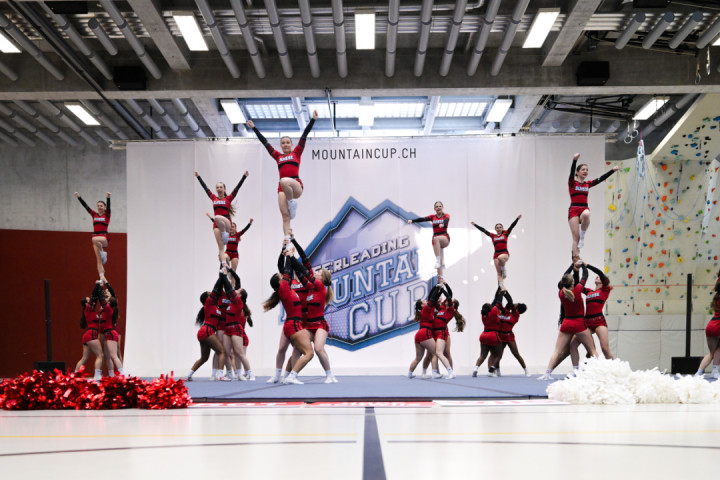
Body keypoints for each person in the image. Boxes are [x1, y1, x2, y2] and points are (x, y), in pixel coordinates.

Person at [248, 111, 318, 246]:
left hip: (296, 185)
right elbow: (265, 143)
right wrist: (254, 128)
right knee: (285, 215)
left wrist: (313, 120)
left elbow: (304, 136)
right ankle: (287, 239)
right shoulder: (278, 156)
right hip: (282, 188)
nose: (285, 144)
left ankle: (292, 203)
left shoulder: (297, 153)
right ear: (280, 145)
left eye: (288, 142)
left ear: (291, 144)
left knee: (284, 180)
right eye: (283, 143)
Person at [284, 236, 337, 383]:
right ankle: (292, 376)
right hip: (308, 325)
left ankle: (330, 375)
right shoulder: (310, 287)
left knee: (318, 349)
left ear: (322, 278)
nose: (316, 272)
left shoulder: (320, 287)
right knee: (297, 348)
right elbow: (301, 273)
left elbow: (305, 272)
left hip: (319, 325)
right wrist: (290, 257)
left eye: (319, 272)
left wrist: (292, 257)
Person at [263, 246, 315, 385]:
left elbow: (284, 268)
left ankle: (282, 376)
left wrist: (284, 250)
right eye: (281, 276)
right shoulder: (284, 287)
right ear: (280, 281)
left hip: (290, 323)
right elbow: (286, 269)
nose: (283, 275)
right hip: (294, 324)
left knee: (284, 349)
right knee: (305, 352)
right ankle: (287, 376)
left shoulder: (287, 287)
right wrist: (289, 255)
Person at [539, 262, 598, 380]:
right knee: (592, 350)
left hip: (566, 324)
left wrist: (572, 265)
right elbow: (585, 276)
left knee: (557, 351)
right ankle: (600, 371)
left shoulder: (561, 293)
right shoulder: (577, 290)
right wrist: (583, 265)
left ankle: (548, 373)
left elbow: (565, 276)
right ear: (572, 283)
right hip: (579, 324)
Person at [568, 153, 619, 259]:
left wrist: (612, 171)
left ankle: (583, 236)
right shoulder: (572, 183)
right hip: (574, 209)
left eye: (587, 170)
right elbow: (571, 173)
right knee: (575, 238)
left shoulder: (588, 184)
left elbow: (600, 179)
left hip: (584, 208)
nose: (585, 171)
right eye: (583, 169)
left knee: (587, 214)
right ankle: (576, 258)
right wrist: (574, 160)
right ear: (577, 172)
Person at [195, 170, 248, 263]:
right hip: (217, 225)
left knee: (217, 217)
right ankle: (224, 265)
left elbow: (237, 188)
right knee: (220, 248)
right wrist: (198, 177)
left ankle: (224, 233)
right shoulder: (213, 198)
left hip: (226, 223)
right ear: (216, 189)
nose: (219, 188)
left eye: (221, 187)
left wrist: (244, 176)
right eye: (217, 187)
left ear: (224, 189)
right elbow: (205, 188)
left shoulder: (228, 198)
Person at [187, 270, 231, 381]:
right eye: (209, 293)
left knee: (204, 357)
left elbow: (219, 290)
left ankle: (189, 374)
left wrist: (223, 276)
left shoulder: (214, 306)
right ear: (208, 298)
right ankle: (220, 375)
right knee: (222, 351)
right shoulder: (209, 304)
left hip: (204, 332)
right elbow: (216, 289)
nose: (212, 293)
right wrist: (222, 276)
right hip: (207, 331)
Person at [568, 263, 614, 365]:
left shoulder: (605, 290)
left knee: (605, 349)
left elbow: (600, 273)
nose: (597, 277)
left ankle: (615, 368)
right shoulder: (588, 291)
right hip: (587, 322)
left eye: (599, 277)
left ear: (603, 281)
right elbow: (578, 285)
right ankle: (576, 370)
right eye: (596, 276)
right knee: (573, 344)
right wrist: (576, 270)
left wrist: (587, 265)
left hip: (599, 322)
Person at [408, 284, 454, 378]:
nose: (426, 301)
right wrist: (438, 288)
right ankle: (435, 373)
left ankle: (410, 374)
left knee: (418, 357)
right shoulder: (426, 309)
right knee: (436, 353)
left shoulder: (430, 309)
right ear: (422, 305)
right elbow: (432, 298)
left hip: (419, 335)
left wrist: (438, 288)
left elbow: (432, 298)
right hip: (426, 333)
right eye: (423, 301)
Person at [423, 283, 465, 379]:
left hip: (442, 332)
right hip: (434, 332)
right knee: (434, 353)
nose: (445, 300)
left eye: (450, 301)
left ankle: (451, 371)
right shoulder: (441, 307)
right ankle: (436, 372)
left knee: (442, 353)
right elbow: (432, 298)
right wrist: (439, 286)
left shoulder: (450, 310)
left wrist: (443, 289)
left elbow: (449, 296)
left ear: (453, 305)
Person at [221, 268, 255, 381]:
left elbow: (229, 288)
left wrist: (224, 275)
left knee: (239, 353)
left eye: (238, 290)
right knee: (225, 353)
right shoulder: (232, 300)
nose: (235, 290)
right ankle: (231, 373)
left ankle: (250, 373)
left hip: (235, 328)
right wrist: (229, 269)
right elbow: (237, 280)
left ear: (239, 295)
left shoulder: (238, 302)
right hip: (227, 329)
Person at [471, 215, 521, 288]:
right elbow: (483, 230)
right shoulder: (493, 236)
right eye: (497, 228)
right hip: (496, 255)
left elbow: (512, 226)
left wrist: (517, 219)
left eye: (500, 227)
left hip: (505, 254)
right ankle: (501, 287)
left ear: (502, 228)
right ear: (495, 229)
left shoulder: (506, 234)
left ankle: (504, 269)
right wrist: (475, 225)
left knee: (500, 258)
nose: (499, 228)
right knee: (499, 273)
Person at [408, 201, 451, 280]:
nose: (438, 208)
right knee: (439, 259)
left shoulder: (446, 215)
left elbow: (446, 220)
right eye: (436, 207)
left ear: (442, 207)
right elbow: (422, 219)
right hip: (435, 240)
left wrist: (443, 224)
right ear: (434, 209)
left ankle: (438, 260)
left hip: (444, 238)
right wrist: (413, 221)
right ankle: (440, 279)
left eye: (440, 206)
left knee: (436, 242)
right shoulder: (432, 217)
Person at [74, 281, 108, 381]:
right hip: (91, 334)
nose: (91, 300)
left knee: (84, 357)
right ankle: (97, 375)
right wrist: (97, 284)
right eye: (89, 300)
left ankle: (74, 375)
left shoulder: (91, 310)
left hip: (88, 335)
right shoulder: (88, 309)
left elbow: (95, 297)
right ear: (86, 303)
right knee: (100, 355)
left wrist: (99, 288)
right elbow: (93, 297)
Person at [74, 191, 111, 280]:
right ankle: (101, 275)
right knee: (98, 259)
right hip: (96, 236)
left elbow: (109, 207)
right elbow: (85, 206)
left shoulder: (107, 215)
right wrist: (79, 197)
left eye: (101, 206)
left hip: (104, 237)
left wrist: (108, 197)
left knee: (94, 240)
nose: (99, 207)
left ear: (104, 207)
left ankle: (103, 252)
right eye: (98, 205)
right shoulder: (94, 214)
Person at [472, 287, 505, 377]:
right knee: (498, 354)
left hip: (484, 335)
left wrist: (498, 288)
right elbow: (498, 301)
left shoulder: (484, 314)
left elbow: (494, 300)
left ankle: (475, 369)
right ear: (490, 308)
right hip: (493, 335)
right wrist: (502, 293)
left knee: (483, 355)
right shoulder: (493, 311)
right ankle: (492, 369)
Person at [496, 289, 529, 376]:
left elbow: (511, 303)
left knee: (516, 354)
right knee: (498, 355)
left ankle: (526, 370)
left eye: (517, 304)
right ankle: (498, 371)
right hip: (501, 335)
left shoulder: (516, 315)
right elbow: (509, 301)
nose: (515, 304)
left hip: (509, 336)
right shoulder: (506, 311)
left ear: (517, 309)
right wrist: (504, 293)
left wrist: (505, 293)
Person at [696, 279, 720, 378]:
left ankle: (698, 372)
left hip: (711, 326)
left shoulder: (716, 297)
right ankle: (715, 370)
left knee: (712, 353)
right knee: (718, 349)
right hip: (718, 325)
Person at [99, 280, 123, 377]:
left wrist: (103, 282)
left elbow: (111, 293)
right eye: (105, 292)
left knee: (115, 354)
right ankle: (111, 374)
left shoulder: (111, 305)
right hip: (105, 331)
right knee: (106, 355)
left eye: (107, 291)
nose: (106, 292)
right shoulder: (105, 305)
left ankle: (122, 373)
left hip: (112, 331)